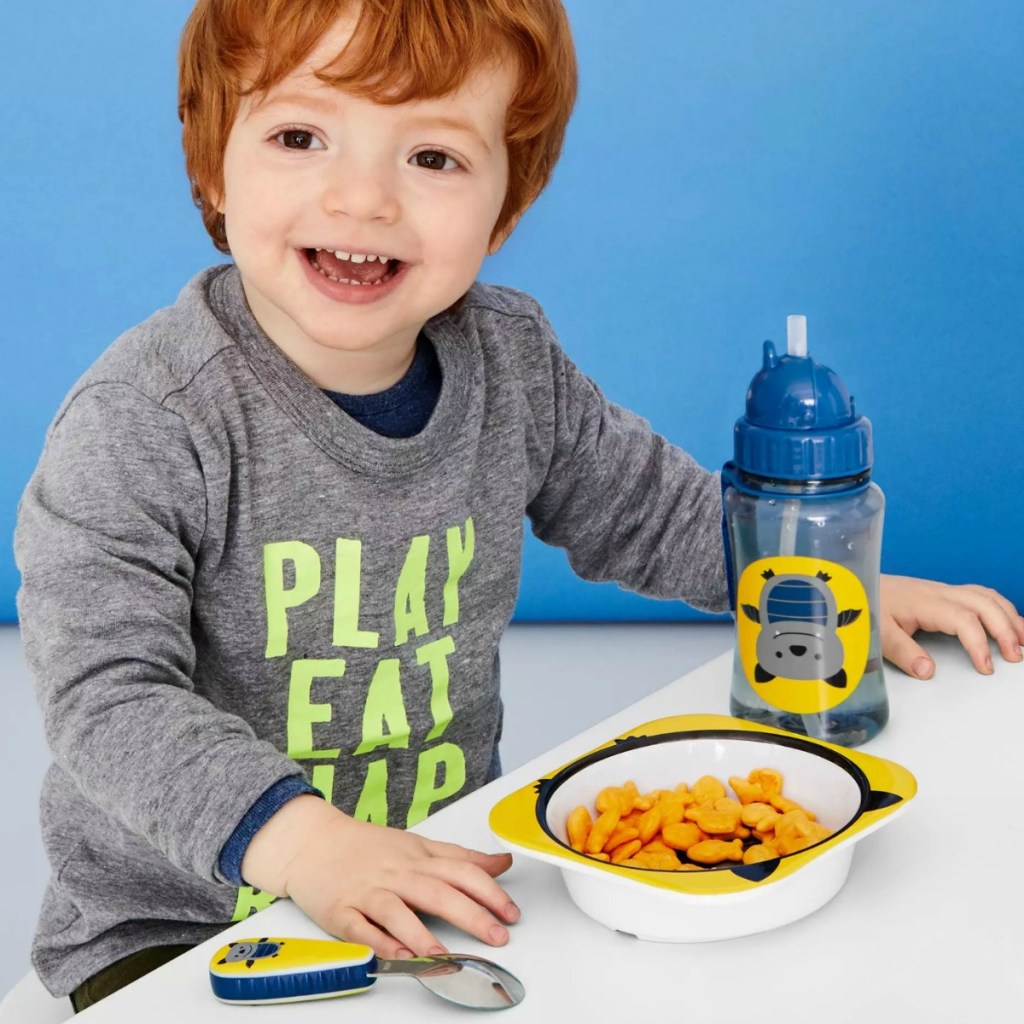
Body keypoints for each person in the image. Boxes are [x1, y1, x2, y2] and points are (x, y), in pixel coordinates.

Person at [14, 0, 1023, 1012]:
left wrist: (822, 582)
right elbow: (108, 695)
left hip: (441, 882)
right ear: (210, 166)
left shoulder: (508, 358)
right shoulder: (144, 418)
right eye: (299, 136)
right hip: (184, 923)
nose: (362, 197)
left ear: (505, 206)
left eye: (434, 158)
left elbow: (647, 509)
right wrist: (305, 843)